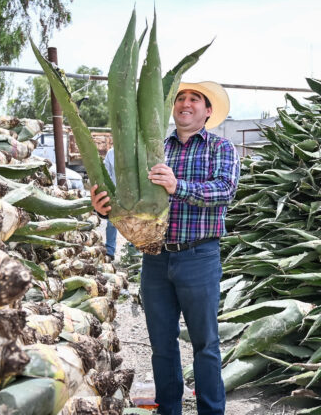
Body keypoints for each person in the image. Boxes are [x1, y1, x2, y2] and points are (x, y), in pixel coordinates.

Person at [91, 81, 240, 415]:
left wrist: (178, 186)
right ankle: (169, 410)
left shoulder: (221, 148)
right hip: (155, 258)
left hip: (199, 255)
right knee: (161, 345)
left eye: (195, 99)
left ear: (208, 111)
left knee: (205, 345)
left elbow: (224, 191)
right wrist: (106, 207)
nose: (186, 103)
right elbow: (131, 197)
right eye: (181, 98)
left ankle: (211, 412)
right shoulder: (155, 149)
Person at [103, 147, 118, 258]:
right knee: (111, 223)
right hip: (115, 194)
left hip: (133, 196)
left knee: (134, 222)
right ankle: (110, 251)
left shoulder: (135, 150)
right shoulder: (111, 153)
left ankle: (134, 254)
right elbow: (105, 173)